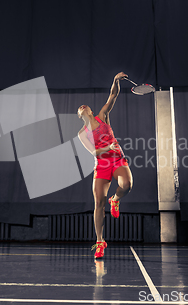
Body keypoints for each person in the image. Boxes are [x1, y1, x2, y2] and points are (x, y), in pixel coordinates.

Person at [77, 72, 133, 259]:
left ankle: (115, 199)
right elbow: (93, 152)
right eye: (80, 108)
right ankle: (100, 242)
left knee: (127, 185)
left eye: (85, 106)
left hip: (116, 158)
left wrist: (115, 81)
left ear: (91, 111)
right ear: (81, 115)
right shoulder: (82, 133)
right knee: (98, 203)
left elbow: (113, 95)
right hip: (101, 164)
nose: (83, 107)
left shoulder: (102, 116)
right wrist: (106, 147)